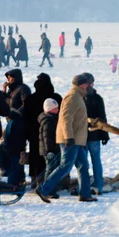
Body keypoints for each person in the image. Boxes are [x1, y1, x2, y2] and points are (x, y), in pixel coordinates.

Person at [36, 74, 97, 203]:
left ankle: (85, 194)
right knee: (65, 166)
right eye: (88, 84)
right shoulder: (72, 97)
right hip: (70, 139)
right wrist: (68, 136)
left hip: (77, 139)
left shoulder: (79, 96)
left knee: (83, 166)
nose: (90, 86)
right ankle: (43, 189)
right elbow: (65, 119)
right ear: (82, 84)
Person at [23, 73, 63, 188]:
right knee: (52, 159)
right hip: (53, 134)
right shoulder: (56, 98)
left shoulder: (30, 99)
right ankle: (52, 183)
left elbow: (25, 118)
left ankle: (36, 180)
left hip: (34, 134)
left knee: (35, 158)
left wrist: (27, 134)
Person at [83, 74, 109, 195]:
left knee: (84, 163)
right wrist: (104, 134)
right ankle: (98, 185)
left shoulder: (79, 98)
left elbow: (102, 117)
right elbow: (102, 118)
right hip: (93, 135)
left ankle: (84, 186)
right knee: (95, 161)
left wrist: (104, 135)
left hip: (83, 135)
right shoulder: (98, 98)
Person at [38, 98, 61, 198]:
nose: (58, 109)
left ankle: (50, 189)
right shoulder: (48, 121)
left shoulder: (51, 118)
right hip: (49, 150)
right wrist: (49, 151)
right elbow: (47, 137)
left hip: (51, 149)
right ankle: (48, 190)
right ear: (50, 109)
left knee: (52, 169)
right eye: (56, 108)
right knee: (50, 170)